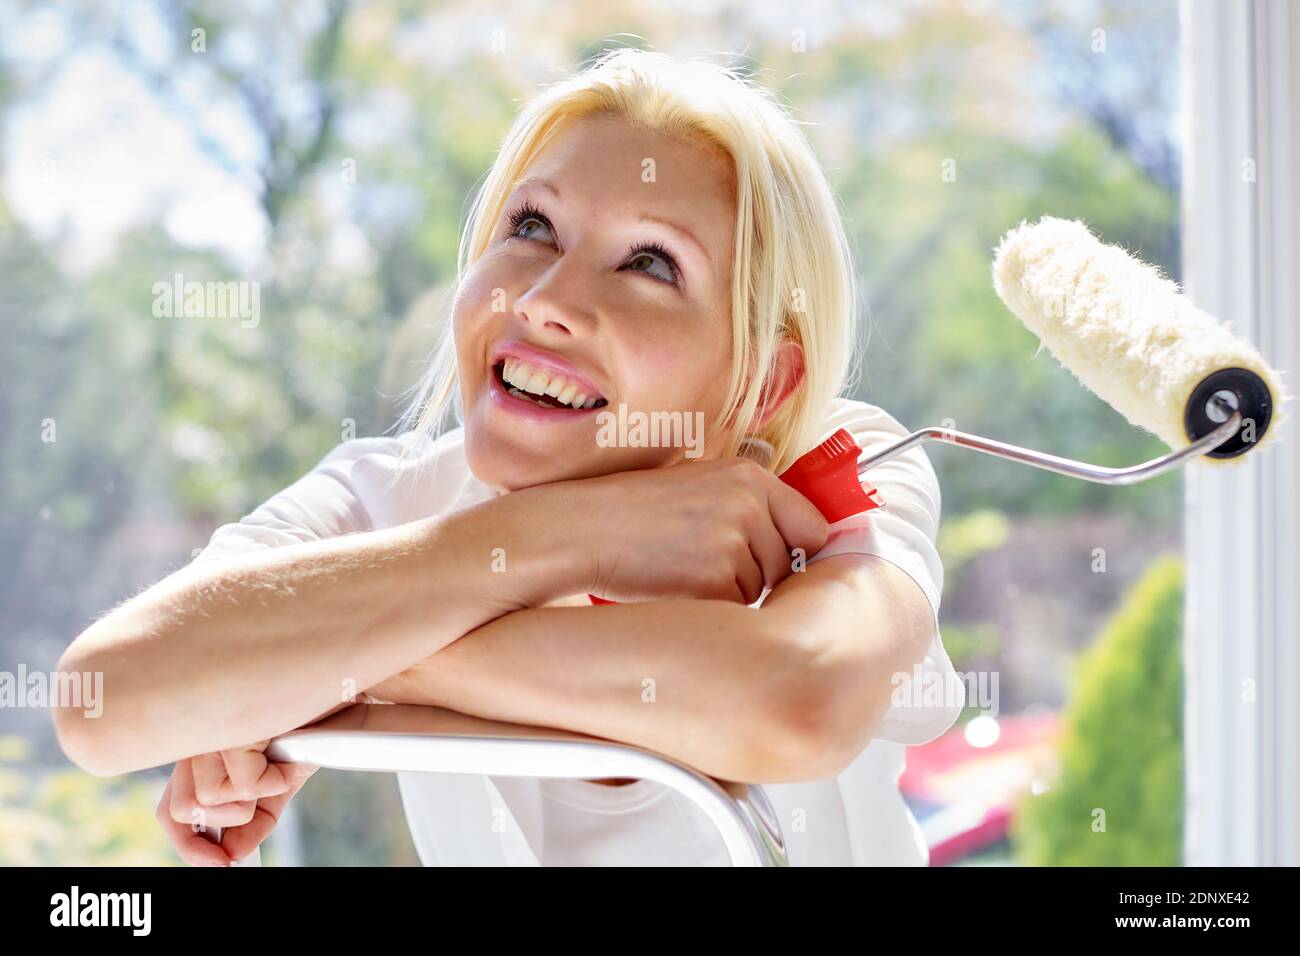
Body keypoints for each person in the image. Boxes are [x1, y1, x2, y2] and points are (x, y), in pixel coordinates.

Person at [54, 48, 963, 866]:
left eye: (650, 263)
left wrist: (331, 667)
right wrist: (560, 535)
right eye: (532, 228)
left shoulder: (851, 467)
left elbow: (796, 704)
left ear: (766, 383)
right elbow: (102, 698)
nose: (545, 299)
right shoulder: (388, 495)